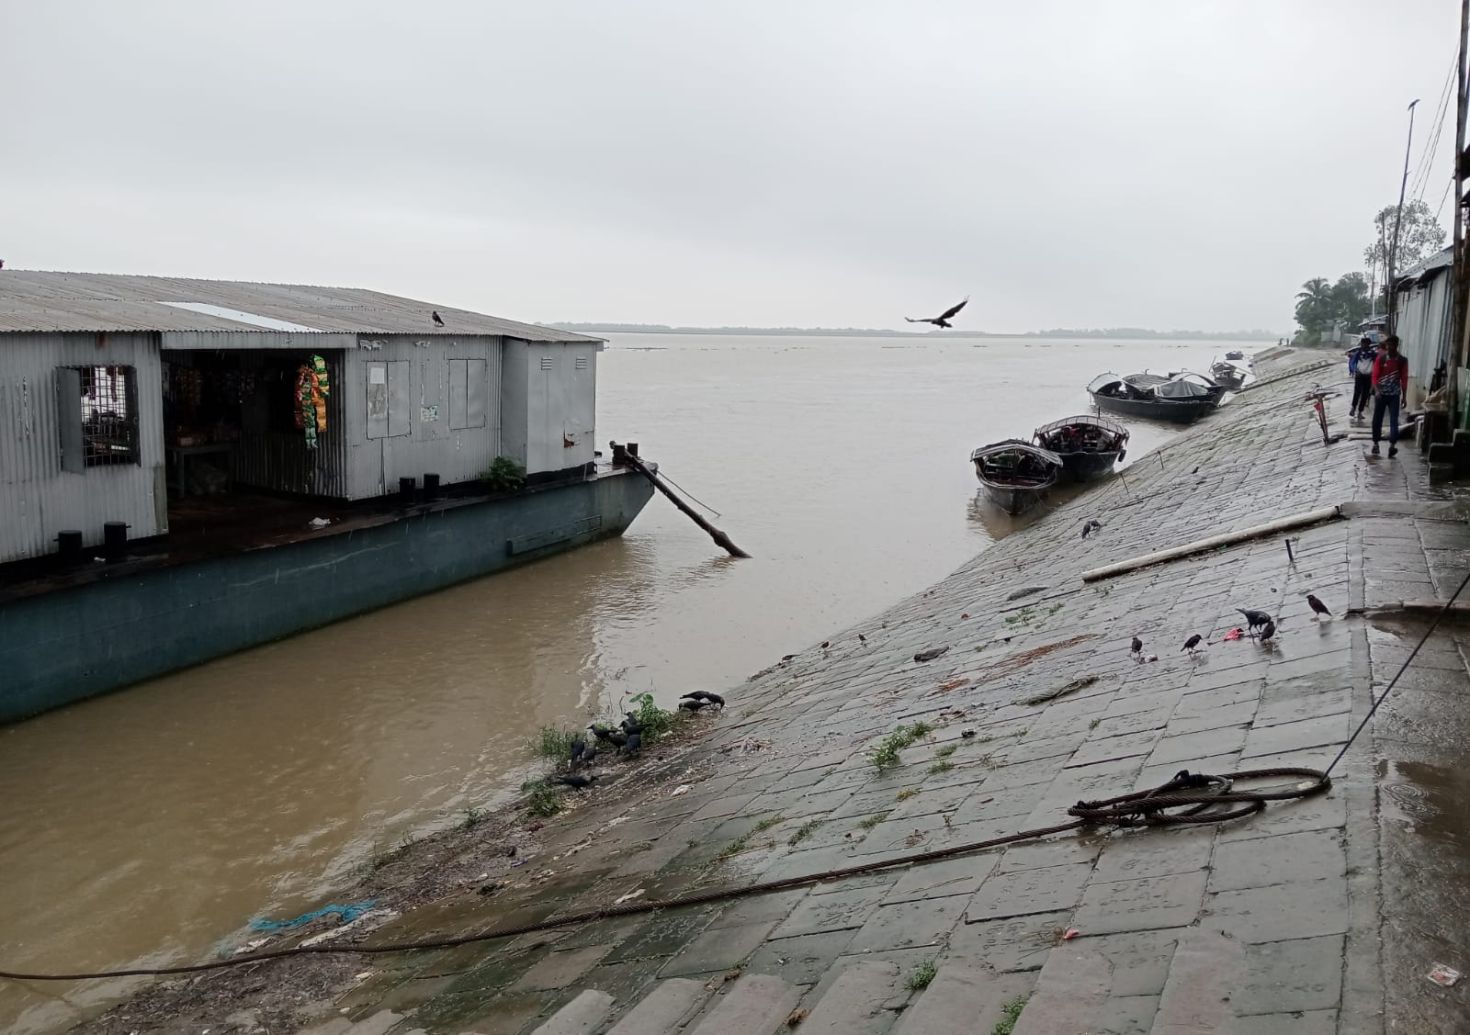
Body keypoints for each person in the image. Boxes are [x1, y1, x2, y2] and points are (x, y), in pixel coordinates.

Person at [1370, 335, 1408, 457]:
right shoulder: (1381, 359)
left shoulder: (1402, 360)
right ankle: (1376, 444)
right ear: (1386, 346)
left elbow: (1404, 379)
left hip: (1394, 395)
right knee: (1377, 420)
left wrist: (1404, 396)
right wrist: (1376, 391)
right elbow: (1375, 376)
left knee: (1393, 420)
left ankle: (1392, 445)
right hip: (1381, 394)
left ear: (1396, 346)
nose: (1390, 347)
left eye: (1392, 345)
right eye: (1388, 345)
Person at [1345, 336, 1376, 421]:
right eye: (1363, 344)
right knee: (1357, 392)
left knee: (1365, 395)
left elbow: (1377, 364)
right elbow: (1352, 363)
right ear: (1361, 344)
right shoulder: (1358, 354)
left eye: (1366, 344)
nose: (1364, 345)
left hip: (1368, 376)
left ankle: (1360, 412)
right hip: (1359, 376)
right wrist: (1354, 371)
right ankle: (1353, 408)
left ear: (1369, 344)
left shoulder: (1373, 354)